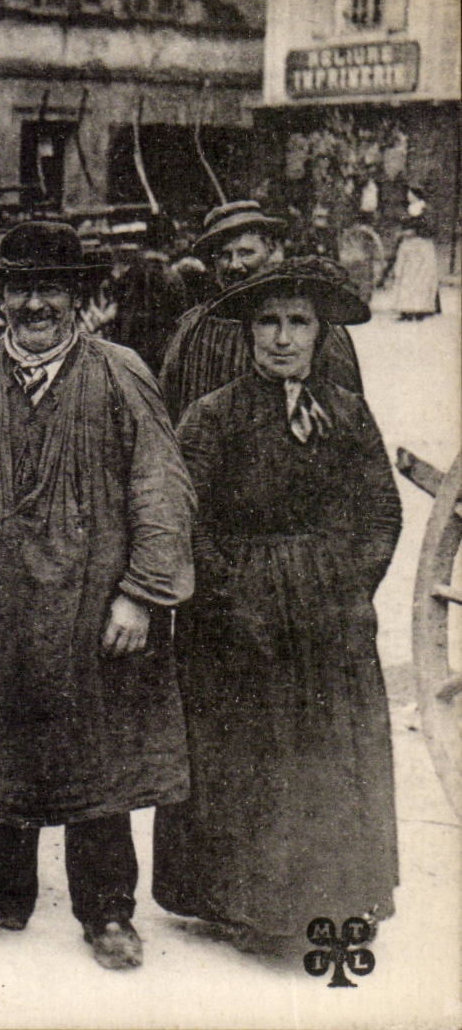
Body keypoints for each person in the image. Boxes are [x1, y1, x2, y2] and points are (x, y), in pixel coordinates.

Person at [0, 221, 196, 971]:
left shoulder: (119, 373)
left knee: (99, 748)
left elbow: (163, 489)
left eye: (50, 287)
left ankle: (108, 911)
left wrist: (141, 596)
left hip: (95, 607)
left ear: (78, 297)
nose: (34, 303)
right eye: (20, 287)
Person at [152, 256, 401, 954]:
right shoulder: (214, 415)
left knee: (326, 752)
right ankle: (240, 903)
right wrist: (233, 597)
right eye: (269, 322)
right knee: (245, 754)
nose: (283, 338)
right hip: (238, 615)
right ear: (247, 332)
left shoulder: (346, 415)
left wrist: (349, 588)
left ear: (322, 334)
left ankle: (336, 894)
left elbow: (380, 511)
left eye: (299, 323)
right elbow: (184, 517)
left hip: (328, 611)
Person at [157, 200, 362, 421]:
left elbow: (346, 410)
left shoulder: (311, 321)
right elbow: (167, 404)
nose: (235, 265)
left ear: (272, 252)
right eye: (225, 255)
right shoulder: (193, 327)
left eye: (246, 253)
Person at [106, 213, 188, 374]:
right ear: (169, 243)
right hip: (161, 360)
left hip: (128, 357)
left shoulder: (129, 274)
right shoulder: (173, 278)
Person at [390, 186, 440, 321]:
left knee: (420, 278)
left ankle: (419, 310)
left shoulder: (425, 210)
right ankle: (405, 310)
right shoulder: (409, 210)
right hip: (409, 247)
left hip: (421, 248)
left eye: (410, 194)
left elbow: (429, 229)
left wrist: (412, 233)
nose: (408, 196)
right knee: (406, 278)